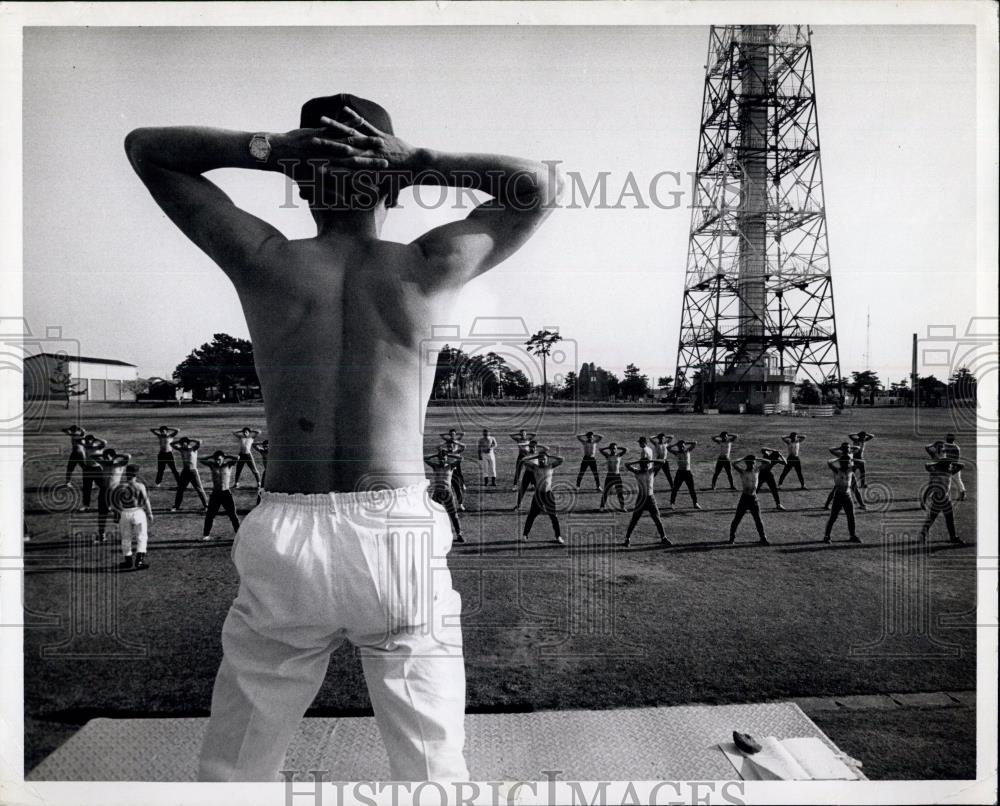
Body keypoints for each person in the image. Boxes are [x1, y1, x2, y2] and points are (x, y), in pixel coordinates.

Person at [128, 92, 560, 781]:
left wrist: (264, 150)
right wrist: (419, 161)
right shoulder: (424, 265)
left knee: (235, 771)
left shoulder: (266, 260)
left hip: (287, 533)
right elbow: (536, 187)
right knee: (434, 771)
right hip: (396, 533)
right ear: (391, 179)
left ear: (300, 183)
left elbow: (147, 148)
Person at [112, 464, 154, 570]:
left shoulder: (120, 487)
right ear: (136, 474)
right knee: (141, 536)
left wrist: (116, 516)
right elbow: (145, 500)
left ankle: (128, 561)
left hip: (125, 513)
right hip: (138, 513)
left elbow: (115, 504)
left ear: (126, 473)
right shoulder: (140, 486)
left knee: (126, 538)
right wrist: (150, 513)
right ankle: (139, 561)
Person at [87, 448, 131, 544]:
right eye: (105, 457)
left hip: (115, 491)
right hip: (104, 491)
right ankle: (102, 535)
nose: (106, 459)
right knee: (102, 514)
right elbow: (92, 456)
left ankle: (124, 536)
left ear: (113, 456)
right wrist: (104, 457)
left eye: (108, 457)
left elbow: (128, 456)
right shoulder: (104, 464)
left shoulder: (119, 465)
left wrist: (116, 455)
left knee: (119, 515)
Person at [622, 456, 668, 547]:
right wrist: (638, 461)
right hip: (641, 499)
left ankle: (664, 538)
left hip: (651, 498)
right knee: (634, 519)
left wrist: (650, 460)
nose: (645, 466)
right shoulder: (637, 471)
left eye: (646, 464)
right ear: (640, 465)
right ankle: (627, 539)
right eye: (643, 465)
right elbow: (626, 464)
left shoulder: (651, 471)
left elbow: (663, 461)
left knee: (657, 519)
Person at [520, 450, 564, 544]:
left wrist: (549, 455)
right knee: (531, 515)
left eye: (543, 459)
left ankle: (558, 536)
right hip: (538, 495)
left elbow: (561, 459)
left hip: (548, 494)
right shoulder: (534, 467)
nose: (541, 461)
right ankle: (525, 535)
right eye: (540, 459)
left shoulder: (550, 466)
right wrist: (535, 457)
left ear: (546, 459)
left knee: (553, 516)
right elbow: (523, 460)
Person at [920, 458, 965, 544]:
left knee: (947, 519)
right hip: (939, 500)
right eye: (949, 465)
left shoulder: (948, 472)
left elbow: (962, 465)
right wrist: (924, 501)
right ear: (945, 466)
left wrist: (937, 463)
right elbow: (931, 487)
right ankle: (923, 535)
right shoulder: (943, 474)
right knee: (933, 519)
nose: (951, 466)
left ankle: (953, 537)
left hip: (946, 500)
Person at [425, 447, 464, 543]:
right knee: (433, 514)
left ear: (447, 458)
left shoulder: (450, 466)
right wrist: (437, 455)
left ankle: (459, 534)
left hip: (448, 492)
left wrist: (448, 454)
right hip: (437, 492)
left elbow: (460, 459)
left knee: (453, 515)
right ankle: (433, 534)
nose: (442, 460)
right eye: (440, 458)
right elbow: (425, 459)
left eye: (444, 458)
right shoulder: (436, 466)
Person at [201, 451, 242, 540]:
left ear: (223, 459)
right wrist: (211, 456)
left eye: (219, 459)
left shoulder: (228, 465)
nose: (217, 461)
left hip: (226, 493)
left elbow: (237, 458)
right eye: (216, 459)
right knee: (210, 515)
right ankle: (206, 535)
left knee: (233, 515)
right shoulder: (212, 465)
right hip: (215, 493)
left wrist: (226, 455)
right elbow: (200, 460)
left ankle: (239, 535)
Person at [729, 455, 768, 544]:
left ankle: (763, 538)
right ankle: (732, 538)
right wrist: (743, 458)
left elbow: (768, 462)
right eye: (750, 463)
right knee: (737, 519)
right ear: (747, 463)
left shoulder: (757, 470)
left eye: (753, 463)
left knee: (758, 520)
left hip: (754, 498)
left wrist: (756, 458)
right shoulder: (743, 472)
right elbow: (733, 463)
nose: (752, 465)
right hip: (745, 498)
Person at [824, 455, 862, 543]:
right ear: (842, 462)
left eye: (849, 462)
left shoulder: (850, 470)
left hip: (848, 496)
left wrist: (851, 459)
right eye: (846, 462)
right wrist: (838, 458)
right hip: (839, 496)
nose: (848, 463)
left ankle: (852, 536)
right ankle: (827, 536)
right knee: (833, 517)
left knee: (851, 517)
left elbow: (862, 462)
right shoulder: (837, 470)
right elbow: (829, 462)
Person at [170, 436, 209, 511]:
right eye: (181, 444)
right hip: (185, 471)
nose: (182, 445)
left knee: (199, 489)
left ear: (187, 443)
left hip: (193, 471)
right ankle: (176, 506)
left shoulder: (193, 449)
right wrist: (180, 441)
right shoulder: (181, 449)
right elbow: (171, 444)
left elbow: (199, 441)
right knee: (180, 489)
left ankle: (206, 506)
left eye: (183, 443)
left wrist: (189, 440)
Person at [824, 443, 867, 510]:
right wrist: (840, 448)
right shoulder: (840, 454)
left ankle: (862, 504)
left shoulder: (851, 453)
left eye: (848, 448)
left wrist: (849, 447)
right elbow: (831, 450)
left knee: (855, 490)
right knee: (836, 489)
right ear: (842, 449)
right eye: (846, 448)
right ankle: (827, 505)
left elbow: (858, 448)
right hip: (842, 473)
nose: (847, 449)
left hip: (850, 472)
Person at [667, 439, 702, 510]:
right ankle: (672, 503)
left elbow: (695, 442)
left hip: (688, 472)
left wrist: (685, 442)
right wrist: (676, 444)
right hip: (680, 472)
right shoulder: (676, 453)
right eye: (680, 446)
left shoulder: (688, 451)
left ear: (684, 446)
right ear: (678, 447)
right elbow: (668, 448)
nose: (682, 448)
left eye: (683, 446)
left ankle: (695, 503)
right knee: (675, 489)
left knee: (691, 489)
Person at [514, 439, 548, 509]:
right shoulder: (526, 452)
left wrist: (537, 445)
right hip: (528, 473)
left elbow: (547, 448)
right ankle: (518, 505)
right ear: (529, 447)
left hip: (536, 473)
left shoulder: (538, 453)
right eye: (531, 447)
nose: (532, 448)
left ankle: (542, 505)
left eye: (533, 447)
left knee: (539, 489)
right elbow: (519, 445)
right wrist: (528, 444)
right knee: (522, 489)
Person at [78, 433, 107, 511]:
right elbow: (79, 441)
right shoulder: (87, 447)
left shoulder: (99, 447)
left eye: (88, 441)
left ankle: (106, 504)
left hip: (97, 469)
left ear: (93, 441)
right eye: (86, 441)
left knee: (104, 486)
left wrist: (95, 438)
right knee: (86, 488)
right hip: (87, 469)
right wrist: (86, 439)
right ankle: (86, 505)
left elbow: (105, 442)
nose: (87, 442)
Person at [599, 442, 628, 511]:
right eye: (611, 448)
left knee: (619, 492)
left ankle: (622, 507)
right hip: (609, 476)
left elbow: (625, 449)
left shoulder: (619, 455)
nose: (613, 450)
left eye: (614, 448)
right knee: (606, 492)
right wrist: (607, 447)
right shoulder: (607, 455)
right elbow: (600, 450)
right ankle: (602, 507)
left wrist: (617, 447)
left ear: (616, 449)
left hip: (617, 475)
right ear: (610, 449)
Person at [442, 436, 467, 511]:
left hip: (454, 471)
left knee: (457, 488)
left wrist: (455, 442)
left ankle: (460, 504)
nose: (450, 446)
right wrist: (445, 442)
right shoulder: (444, 451)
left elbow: (464, 447)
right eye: (448, 445)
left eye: (451, 445)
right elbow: (437, 447)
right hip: (446, 471)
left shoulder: (455, 451)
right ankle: (448, 504)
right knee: (446, 489)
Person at [942, 434, 966, 501]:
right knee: (947, 481)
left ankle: (962, 493)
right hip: (947, 465)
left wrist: (953, 468)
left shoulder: (956, 448)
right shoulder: (946, 445)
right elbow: (944, 452)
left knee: (957, 480)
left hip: (954, 466)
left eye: (947, 438)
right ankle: (945, 495)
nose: (946, 439)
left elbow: (956, 459)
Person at [253, 439, 269, 504]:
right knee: (262, 488)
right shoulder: (263, 452)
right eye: (264, 446)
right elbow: (253, 445)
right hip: (266, 472)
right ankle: (259, 502)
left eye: (267, 446)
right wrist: (261, 443)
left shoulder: (274, 453)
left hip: (272, 473)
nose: (265, 448)